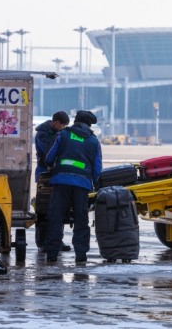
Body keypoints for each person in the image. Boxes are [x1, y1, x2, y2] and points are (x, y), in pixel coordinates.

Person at [44, 110, 102, 263]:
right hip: (82, 185)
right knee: (81, 220)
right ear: (89, 125)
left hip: (61, 181)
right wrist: (93, 183)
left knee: (56, 217)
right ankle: (81, 256)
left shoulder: (62, 135)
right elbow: (97, 169)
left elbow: (49, 157)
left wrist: (50, 166)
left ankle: (52, 255)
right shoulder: (93, 141)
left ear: (75, 121)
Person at [34, 111, 71, 252]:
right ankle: (42, 242)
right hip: (44, 173)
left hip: (56, 173)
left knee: (58, 208)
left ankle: (56, 240)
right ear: (56, 122)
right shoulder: (42, 134)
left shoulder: (58, 133)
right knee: (43, 209)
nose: (63, 128)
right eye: (62, 125)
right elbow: (47, 154)